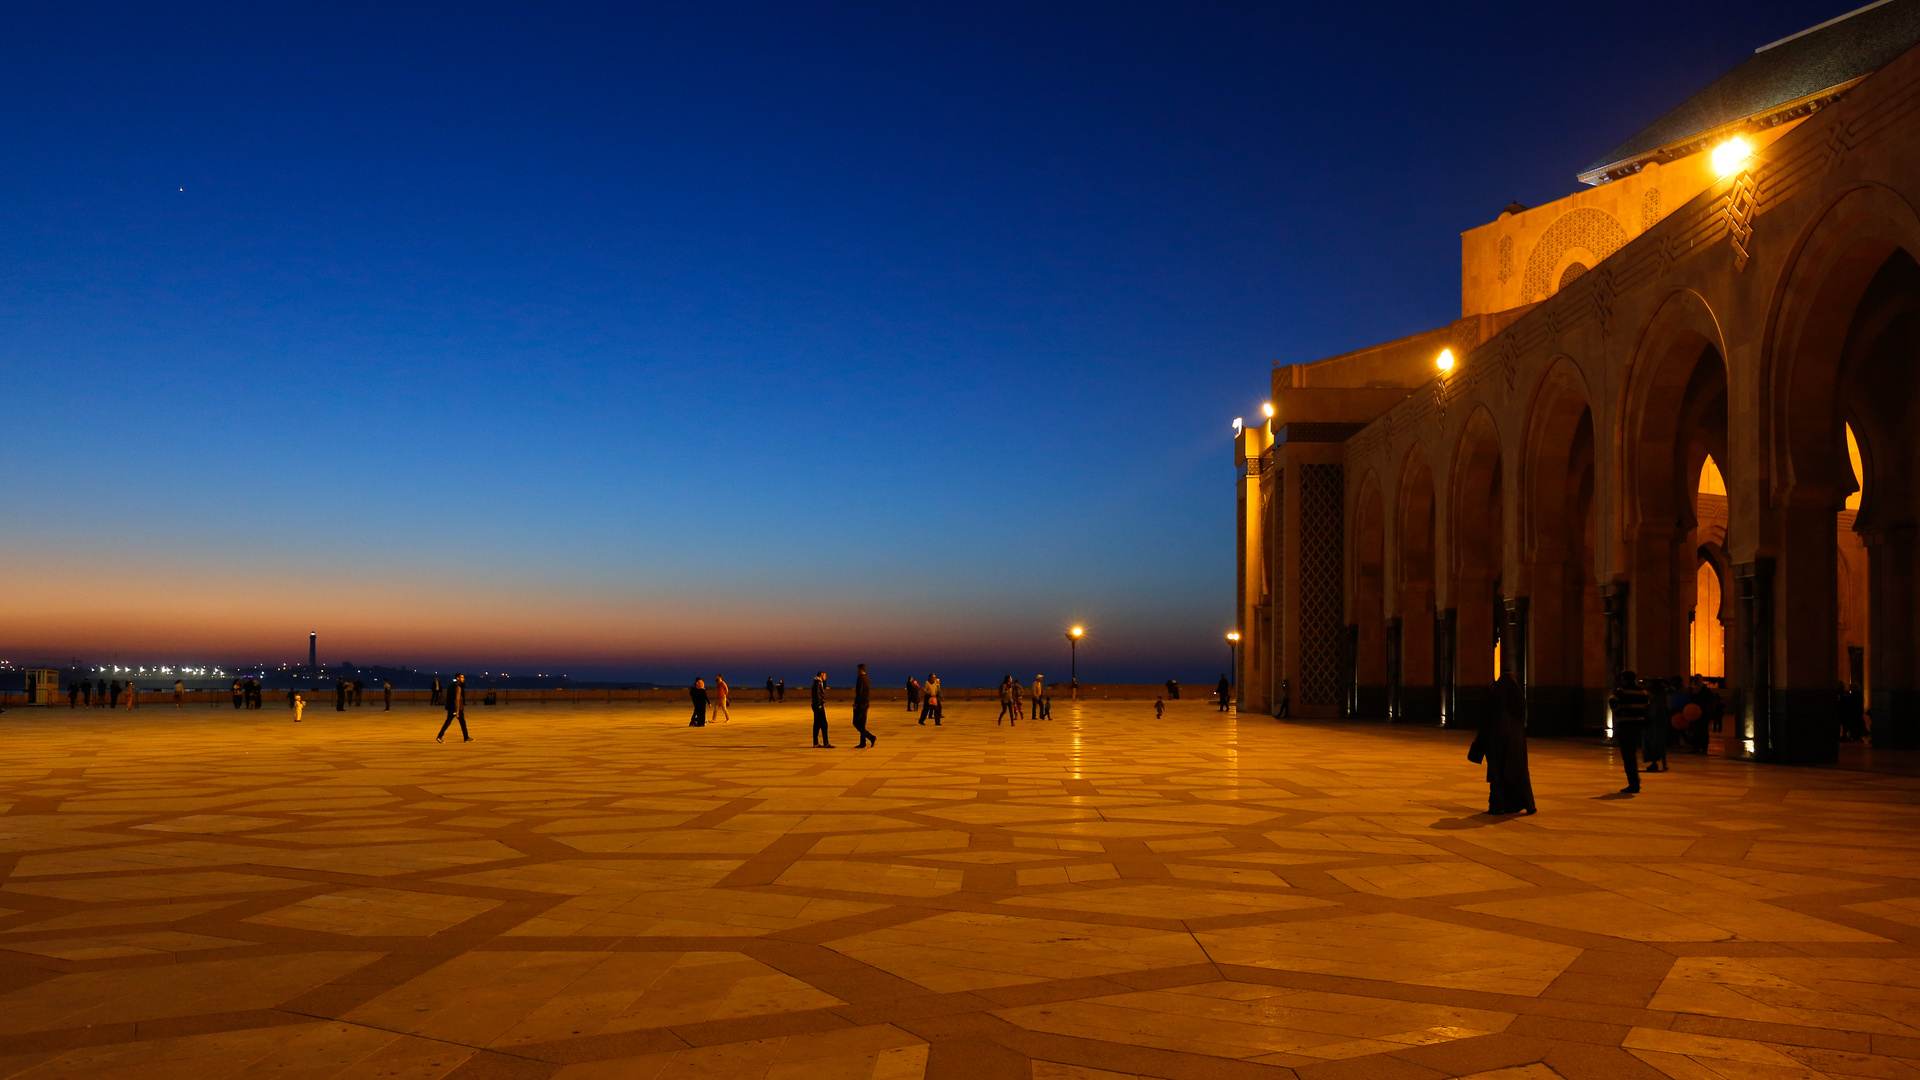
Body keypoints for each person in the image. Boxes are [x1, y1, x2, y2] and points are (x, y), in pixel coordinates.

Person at [1473, 673, 1536, 814]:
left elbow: (1484, 720)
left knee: (1497, 771)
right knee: (1518, 772)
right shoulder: (1518, 699)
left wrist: (1481, 740)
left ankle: (1497, 805)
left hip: (1495, 740)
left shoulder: (1493, 697)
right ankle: (1527, 804)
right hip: (1516, 741)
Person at [1609, 670, 1649, 794]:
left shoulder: (1621, 692)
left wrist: (1618, 712)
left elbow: (1612, 700)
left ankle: (1634, 783)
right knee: (1632, 753)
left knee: (1628, 756)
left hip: (1625, 726)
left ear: (1623, 679)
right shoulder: (1642, 692)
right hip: (1638, 726)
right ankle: (1634, 782)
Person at [1642, 679, 1671, 773]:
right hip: (1657, 724)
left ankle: (1659, 763)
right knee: (1657, 744)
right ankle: (1661, 763)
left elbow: (1655, 713)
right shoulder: (1660, 699)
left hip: (1655, 725)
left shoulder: (1656, 702)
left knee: (1655, 744)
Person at [437, 673, 470, 742]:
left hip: (451, 707)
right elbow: (457, 699)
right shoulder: (458, 687)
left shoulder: (451, 686)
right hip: (456, 708)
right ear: (458, 678)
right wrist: (457, 710)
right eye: (462, 677)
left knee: (453, 722)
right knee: (458, 722)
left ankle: (466, 737)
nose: (463, 679)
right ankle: (439, 736)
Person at [853, 663, 875, 747]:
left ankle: (870, 737)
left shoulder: (860, 678)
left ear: (860, 669)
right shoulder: (868, 678)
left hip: (861, 704)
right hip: (866, 703)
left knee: (855, 722)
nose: (857, 671)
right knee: (862, 723)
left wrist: (856, 703)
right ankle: (863, 742)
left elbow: (859, 692)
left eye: (858, 669)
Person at [811, 671, 833, 747]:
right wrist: (819, 704)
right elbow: (817, 694)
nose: (826, 677)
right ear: (821, 675)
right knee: (824, 724)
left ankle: (816, 743)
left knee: (817, 724)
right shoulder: (818, 683)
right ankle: (826, 743)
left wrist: (825, 681)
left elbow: (823, 689)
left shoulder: (818, 682)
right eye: (825, 676)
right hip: (818, 705)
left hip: (817, 704)